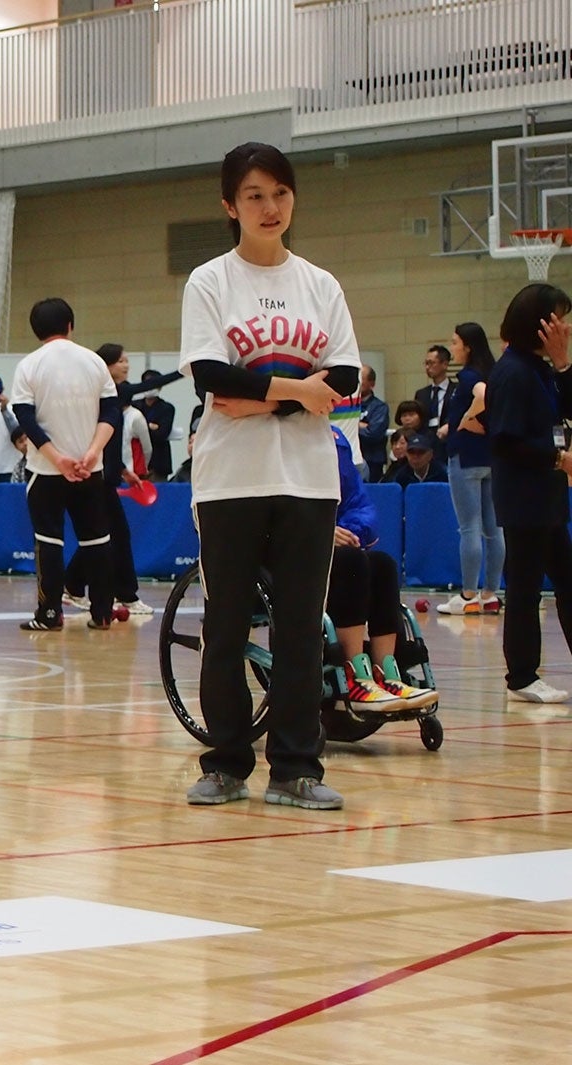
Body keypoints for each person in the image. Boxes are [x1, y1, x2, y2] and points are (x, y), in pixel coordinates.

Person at [179, 142, 360, 812]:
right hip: (230, 478)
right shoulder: (210, 281)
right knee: (226, 625)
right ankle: (226, 762)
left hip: (308, 479)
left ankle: (295, 768)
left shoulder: (321, 284)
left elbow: (342, 377)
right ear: (230, 205)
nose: (270, 206)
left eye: (280, 192)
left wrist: (265, 398)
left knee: (298, 628)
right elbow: (210, 375)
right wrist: (296, 390)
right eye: (254, 194)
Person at [486, 283, 572, 703]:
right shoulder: (512, 372)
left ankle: (524, 672)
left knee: (567, 581)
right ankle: (521, 675)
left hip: (548, 497)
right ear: (540, 324)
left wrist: (563, 364)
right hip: (524, 499)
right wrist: (557, 460)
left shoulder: (542, 369)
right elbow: (504, 440)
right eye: (559, 317)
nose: (566, 326)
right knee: (524, 587)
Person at [11, 298, 118, 632]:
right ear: (70, 325)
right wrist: (91, 453)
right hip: (91, 469)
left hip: (46, 472)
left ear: (35, 329)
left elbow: (25, 418)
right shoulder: (95, 362)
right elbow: (111, 411)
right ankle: (102, 613)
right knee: (97, 540)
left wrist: (58, 458)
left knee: (49, 541)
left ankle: (48, 614)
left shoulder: (29, 366)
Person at [325, 426, 438, 714]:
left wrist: (349, 531)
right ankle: (355, 675)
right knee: (351, 562)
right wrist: (323, 531)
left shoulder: (334, 440)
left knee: (382, 564)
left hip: (332, 546)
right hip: (292, 548)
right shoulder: (279, 439)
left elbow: (358, 504)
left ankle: (386, 672)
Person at [64, 343, 182, 616]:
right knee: (116, 535)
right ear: (107, 365)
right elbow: (157, 383)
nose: (126, 365)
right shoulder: (105, 392)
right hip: (96, 478)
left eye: (127, 360)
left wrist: (124, 472)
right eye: (121, 360)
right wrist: (186, 370)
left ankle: (72, 585)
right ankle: (126, 595)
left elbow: (113, 441)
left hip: (109, 475)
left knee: (103, 535)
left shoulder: (115, 392)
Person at [437, 321, 503, 615]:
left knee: (469, 528)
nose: (452, 348)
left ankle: (467, 596)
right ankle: (490, 593)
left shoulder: (469, 375)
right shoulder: (496, 370)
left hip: (465, 459)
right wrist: (456, 423)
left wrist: (465, 419)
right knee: (493, 528)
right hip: (491, 458)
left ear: (468, 345)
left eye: (455, 342)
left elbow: (482, 395)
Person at [133, 372, 178, 479]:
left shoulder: (166, 408)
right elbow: (130, 432)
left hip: (158, 463)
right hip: (135, 462)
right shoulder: (134, 405)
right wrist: (150, 427)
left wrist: (141, 429)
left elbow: (161, 434)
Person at [416, 343, 453, 463]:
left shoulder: (456, 390)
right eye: (426, 363)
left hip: (449, 443)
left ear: (445, 364)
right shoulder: (421, 394)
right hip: (427, 446)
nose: (428, 367)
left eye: (431, 363)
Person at [356, 365, 390, 479]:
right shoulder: (347, 406)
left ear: (372, 383)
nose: (357, 382)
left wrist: (353, 426)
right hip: (351, 457)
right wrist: (361, 426)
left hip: (372, 460)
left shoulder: (380, 407)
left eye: (361, 379)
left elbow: (373, 433)